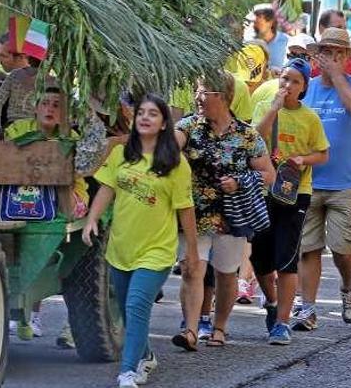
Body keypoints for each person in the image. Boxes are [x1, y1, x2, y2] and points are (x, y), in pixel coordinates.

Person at [82, 93, 198, 388]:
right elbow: (106, 188)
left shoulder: (175, 163)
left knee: (136, 306)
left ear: (163, 124)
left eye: (153, 114)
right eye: (141, 113)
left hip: (156, 251)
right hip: (120, 248)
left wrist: (192, 254)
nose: (145, 117)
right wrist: (92, 218)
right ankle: (145, 354)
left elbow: (186, 209)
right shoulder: (122, 154)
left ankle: (128, 371)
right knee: (124, 309)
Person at [174, 71, 275, 348]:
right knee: (191, 269)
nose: (197, 97)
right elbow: (172, 143)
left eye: (203, 91)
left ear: (224, 97)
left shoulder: (247, 135)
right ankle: (191, 331)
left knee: (226, 273)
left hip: (232, 214)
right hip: (194, 213)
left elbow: (269, 174)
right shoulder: (189, 127)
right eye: (197, 90)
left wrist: (240, 181)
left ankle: (219, 327)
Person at [294, 28, 351, 332]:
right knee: (308, 248)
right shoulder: (306, 89)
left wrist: (338, 76)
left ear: (347, 58)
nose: (333, 58)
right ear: (318, 55)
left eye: (339, 53)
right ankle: (308, 308)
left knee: (342, 248)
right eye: (327, 52)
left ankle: (348, 287)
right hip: (308, 181)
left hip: (344, 183)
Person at [251, 58, 330, 345]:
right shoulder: (264, 107)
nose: (287, 85)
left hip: (296, 193)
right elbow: (252, 140)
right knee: (259, 256)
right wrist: (273, 109)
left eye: (295, 81)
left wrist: (302, 159)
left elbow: (323, 154)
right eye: (285, 78)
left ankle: (282, 323)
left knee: (286, 257)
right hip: (262, 191)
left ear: (304, 87)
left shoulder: (310, 118)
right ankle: (271, 302)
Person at [5, 87, 90, 339]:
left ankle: (42, 318)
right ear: (35, 107)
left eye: (56, 105)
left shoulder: (71, 137)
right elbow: (7, 159)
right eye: (45, 103)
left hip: (62, 197)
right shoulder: (18, 130)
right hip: (20, 196)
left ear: (64, 113)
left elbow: (78, 177)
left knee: (59, 252)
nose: (50, 109)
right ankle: (18, 314)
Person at [0, 55, 43, 138]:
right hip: (37, 129)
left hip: (14, 128)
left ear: (28, 57)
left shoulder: (14, 75)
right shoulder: (50, 80)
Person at [311, 10, 351, 83]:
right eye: (338, 28)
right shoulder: (310, 60)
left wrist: (337, 77)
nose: (343, 32)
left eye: (345, 28)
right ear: (321, 29)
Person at [246, 5, 289, 70]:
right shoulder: (250, 43)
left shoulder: (287, 41)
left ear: (271, 22)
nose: (255, 26)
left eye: (259, 23)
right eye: (255, 23)